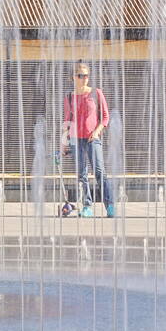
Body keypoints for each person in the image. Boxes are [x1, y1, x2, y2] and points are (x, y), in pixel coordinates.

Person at [61, 62, 113, 218]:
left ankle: (110, 205)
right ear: (74, 77)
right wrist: (63, 142)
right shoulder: (69, 97)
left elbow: (105, 117)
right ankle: (87, 206)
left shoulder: (96, 94)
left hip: (92, 139)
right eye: (80, 75)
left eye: (86, 75)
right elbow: (67, 121)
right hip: (76, 140)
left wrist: (97, 132)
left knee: (99, 172)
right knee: (82, 175)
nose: (83, 78)